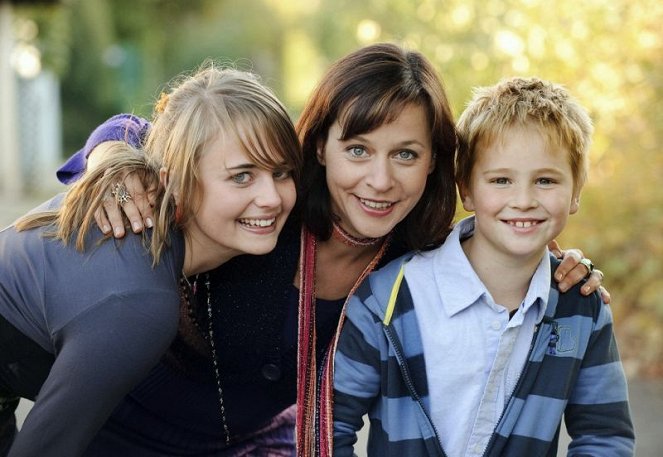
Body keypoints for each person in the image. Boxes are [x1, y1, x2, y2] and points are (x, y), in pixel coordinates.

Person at [58, 44, 605, 456]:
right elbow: (146, 129)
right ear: (321, 145)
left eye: (406, 154)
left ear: (437, 161)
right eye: (358, 149)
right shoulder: (265, 205)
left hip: (256, 446)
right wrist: (111, 160)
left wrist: (562, 265)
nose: (380, 180)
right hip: (114, 429)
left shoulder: (417, 259)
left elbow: (507, 230)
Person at [0, 64, 301, 457]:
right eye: (242, 176)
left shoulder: (140, 203)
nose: (272, 198)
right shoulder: (142, 303)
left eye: (281, 172)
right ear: (172, 180)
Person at [332, 77, 634, 456]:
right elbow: (331, 427)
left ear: (576, 191)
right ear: (467, 190)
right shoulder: (387, 300)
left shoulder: (580, 308)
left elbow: (604, 436)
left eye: (545, 180)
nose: (523, 200)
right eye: (501, 180)